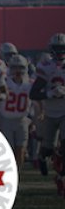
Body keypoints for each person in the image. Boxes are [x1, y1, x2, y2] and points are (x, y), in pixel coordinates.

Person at [30, 33, 65, 195]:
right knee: (47, 148)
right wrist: (49, 94)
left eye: (62, 48)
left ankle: (61, 175)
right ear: (51, 50)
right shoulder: (46, 67)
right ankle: (43, 157)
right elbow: (34, 93)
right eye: (57, 49)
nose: (60, 52)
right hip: (51, 113)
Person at [0, 55, 33, 171]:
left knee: (21, 149)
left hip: (22, 119)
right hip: (6, 119)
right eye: (15, 67)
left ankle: (17, 174)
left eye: (20, 67)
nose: (18, 71)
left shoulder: (30, 84)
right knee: (9, 149)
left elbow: (36, 101)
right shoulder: (4, 82)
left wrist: (36, 116)